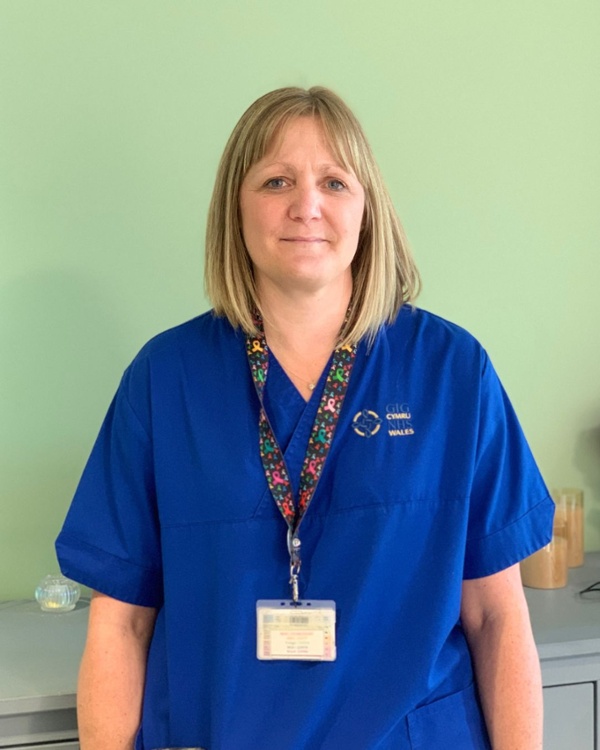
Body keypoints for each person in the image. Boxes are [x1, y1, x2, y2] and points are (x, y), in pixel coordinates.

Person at [56, 86, 554, 750]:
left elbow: (496, 618)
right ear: (235, 207)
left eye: (334, 182)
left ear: (367, 209)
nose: (306, 206)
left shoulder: (451, 372)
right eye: (276, 181)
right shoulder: (165, 379)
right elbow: (121, 623)